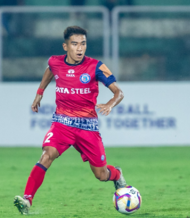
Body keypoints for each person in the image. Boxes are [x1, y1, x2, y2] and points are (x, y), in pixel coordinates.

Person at [13, 26, 127, 215]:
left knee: (100, 174)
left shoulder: (96, 66)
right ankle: (27, 200)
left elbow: (119, 92)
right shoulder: (55, 62)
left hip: (87, 128)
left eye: (83, 44)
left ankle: (117, 174)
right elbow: (50, 70)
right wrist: (39, 93)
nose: (80, 48)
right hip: (62, 124)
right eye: (75, 44)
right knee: (47, 154)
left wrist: (109, 104)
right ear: (65, 46)